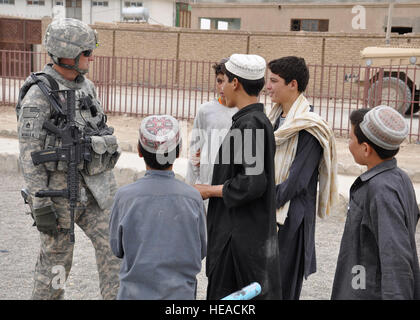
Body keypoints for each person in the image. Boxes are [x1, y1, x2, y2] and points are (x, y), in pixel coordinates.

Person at [16, 18, 121, 299]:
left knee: (116, 249)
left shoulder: (87, 87)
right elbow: (29, 153)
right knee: (56, 266)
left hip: (95, 191)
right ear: (67, 53)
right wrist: (40, 203)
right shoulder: (39, 94)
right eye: (86, 52)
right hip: (58, 194)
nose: (91, 57)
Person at [194, 53, 282, 300]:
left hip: (238, 242)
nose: (221, 88)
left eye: (225, 82)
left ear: (236, 83)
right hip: (237, 236)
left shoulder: (251, 124)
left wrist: (209, 190)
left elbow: (252, 183)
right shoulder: (249, 121)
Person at [109, 115, 207, 300]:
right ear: (178, 153)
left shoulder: (125, 197)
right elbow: (201, 250)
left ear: (139, 150)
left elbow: (117, 248)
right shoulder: (193, 198)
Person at [266, 56, 338, 300]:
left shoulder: (310, 127)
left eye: (274, 81)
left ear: (293, 84)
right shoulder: (273, 119)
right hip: (268, 214)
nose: (268, 86)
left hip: (291, 220)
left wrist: (260, 199)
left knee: (282, 288)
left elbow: (295, 183)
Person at [331, 106, 420, 300]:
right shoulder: (399, 178)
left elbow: (395, 258)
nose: (348, 143)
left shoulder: (381, 190)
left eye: (351, 138)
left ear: (366, 148)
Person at [186, 58, 238, 210]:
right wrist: (191, 187)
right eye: (219, 81)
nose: (222, 87)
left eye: (225, 81)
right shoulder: (205, 111)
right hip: (207, 184)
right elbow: (195, 152)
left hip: (231, 189)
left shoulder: (244, 112)